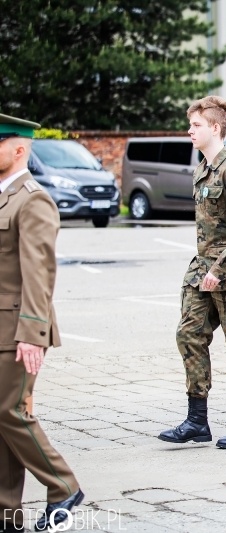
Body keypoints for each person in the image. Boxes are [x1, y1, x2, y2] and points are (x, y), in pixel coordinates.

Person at [159, 96, 226, 450]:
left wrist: (220, 268)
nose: (190, 130)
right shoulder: (202, 169)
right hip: (201, 271)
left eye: (196, 125)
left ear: (215, 128)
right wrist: (207, 268)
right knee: (188, 335)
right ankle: (197, 420)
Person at [0, 114, 84, 532]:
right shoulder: (3, 195)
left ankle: (62, 487)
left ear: (19, 149)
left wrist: (32, 334)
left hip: (18, 328)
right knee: (2, 418)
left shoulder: (32, 199)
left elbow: (39, 272)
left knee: (10, 410)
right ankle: (6, 512)